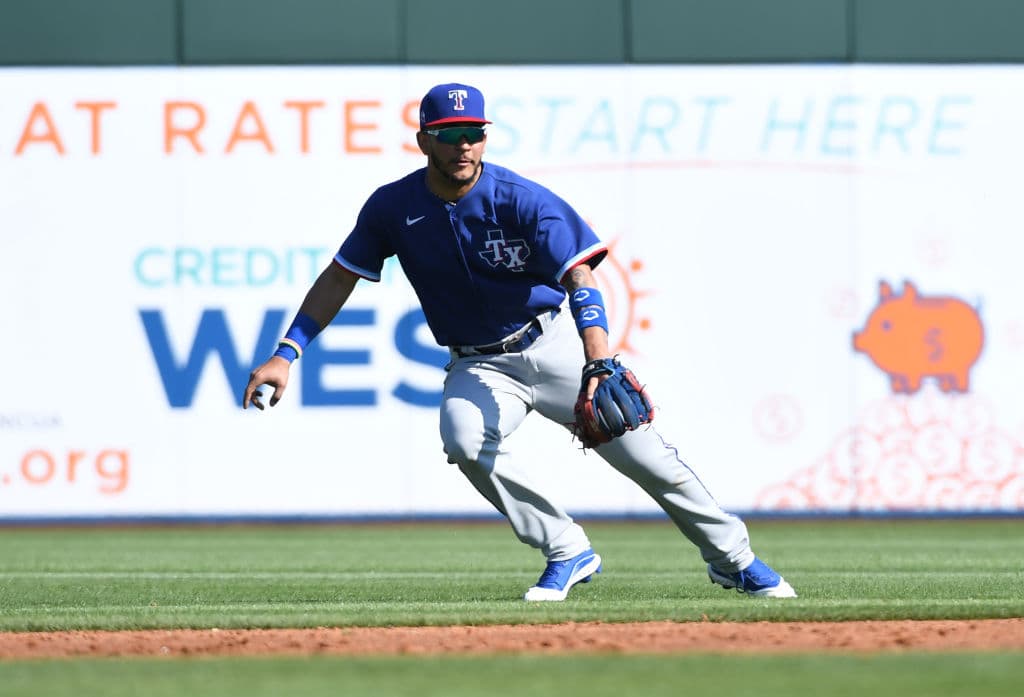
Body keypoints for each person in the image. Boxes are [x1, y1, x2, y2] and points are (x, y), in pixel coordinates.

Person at [242, 82, 797, 600]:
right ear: (423, 141)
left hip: (552, 344)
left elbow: (580, 276)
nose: (464, 146)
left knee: (648, 459)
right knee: (462, 438)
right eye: (449, 135)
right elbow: (341, 275)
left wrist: (599, 363)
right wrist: (287, 352)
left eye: (474, 133)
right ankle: (567, 548)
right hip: (477, 365)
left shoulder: (521, 199)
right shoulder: (393, 206)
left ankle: (734, 558)